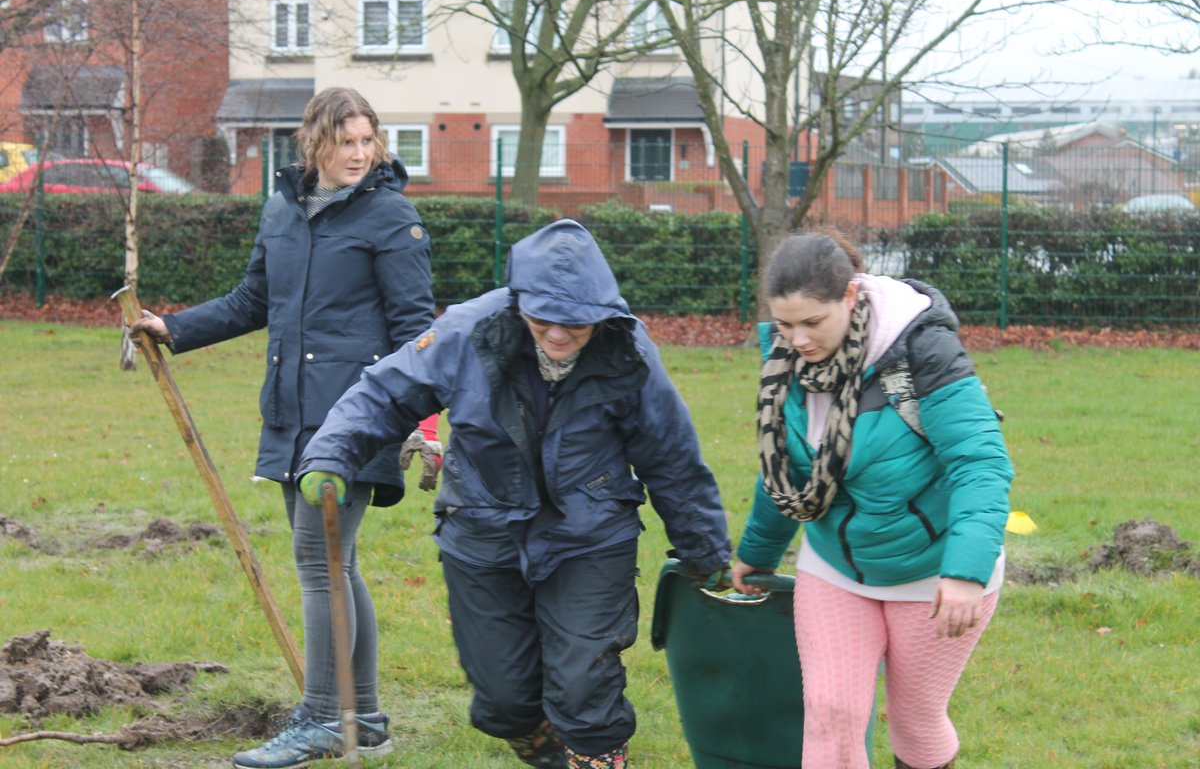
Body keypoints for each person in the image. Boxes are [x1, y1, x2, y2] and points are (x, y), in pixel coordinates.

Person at [294, 218, 732, 769]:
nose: (558, 335)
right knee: (504, 702)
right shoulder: (467, 332)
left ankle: (594, 755)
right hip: (482, 528)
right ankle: (550, 756)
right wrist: (331, 455)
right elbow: (384, 394)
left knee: (584, 686)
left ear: (601, 313)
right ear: (518, 302)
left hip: (590, 534)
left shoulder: (628, 351)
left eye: (575, 323)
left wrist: (705, 552)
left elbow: (671, 455)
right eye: (543, 319)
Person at [129, 86, 440, 769]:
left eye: (368, 141)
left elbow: (417, 329)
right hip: (291, 413)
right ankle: (365, 719)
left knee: (319, 562)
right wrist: (173, 327)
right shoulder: (283, 208)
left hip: (357, 416)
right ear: (315, 142)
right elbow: (253, 300)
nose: (359, 154)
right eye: (346, 141)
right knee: (337, 563)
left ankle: (324, 717)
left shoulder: (390, 216)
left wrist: (422, 422)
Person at [731, 231, 1013, 769]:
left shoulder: (922, 349)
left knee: (915, 720)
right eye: (784, 324)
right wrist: (758, 552)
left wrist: (965, 573)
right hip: (835, 567)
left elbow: (980, 463)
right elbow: (786, 468)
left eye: (812, 322)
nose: (797, 339)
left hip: (932, 568)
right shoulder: (784, 365)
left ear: (850, 295)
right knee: (830, 712)